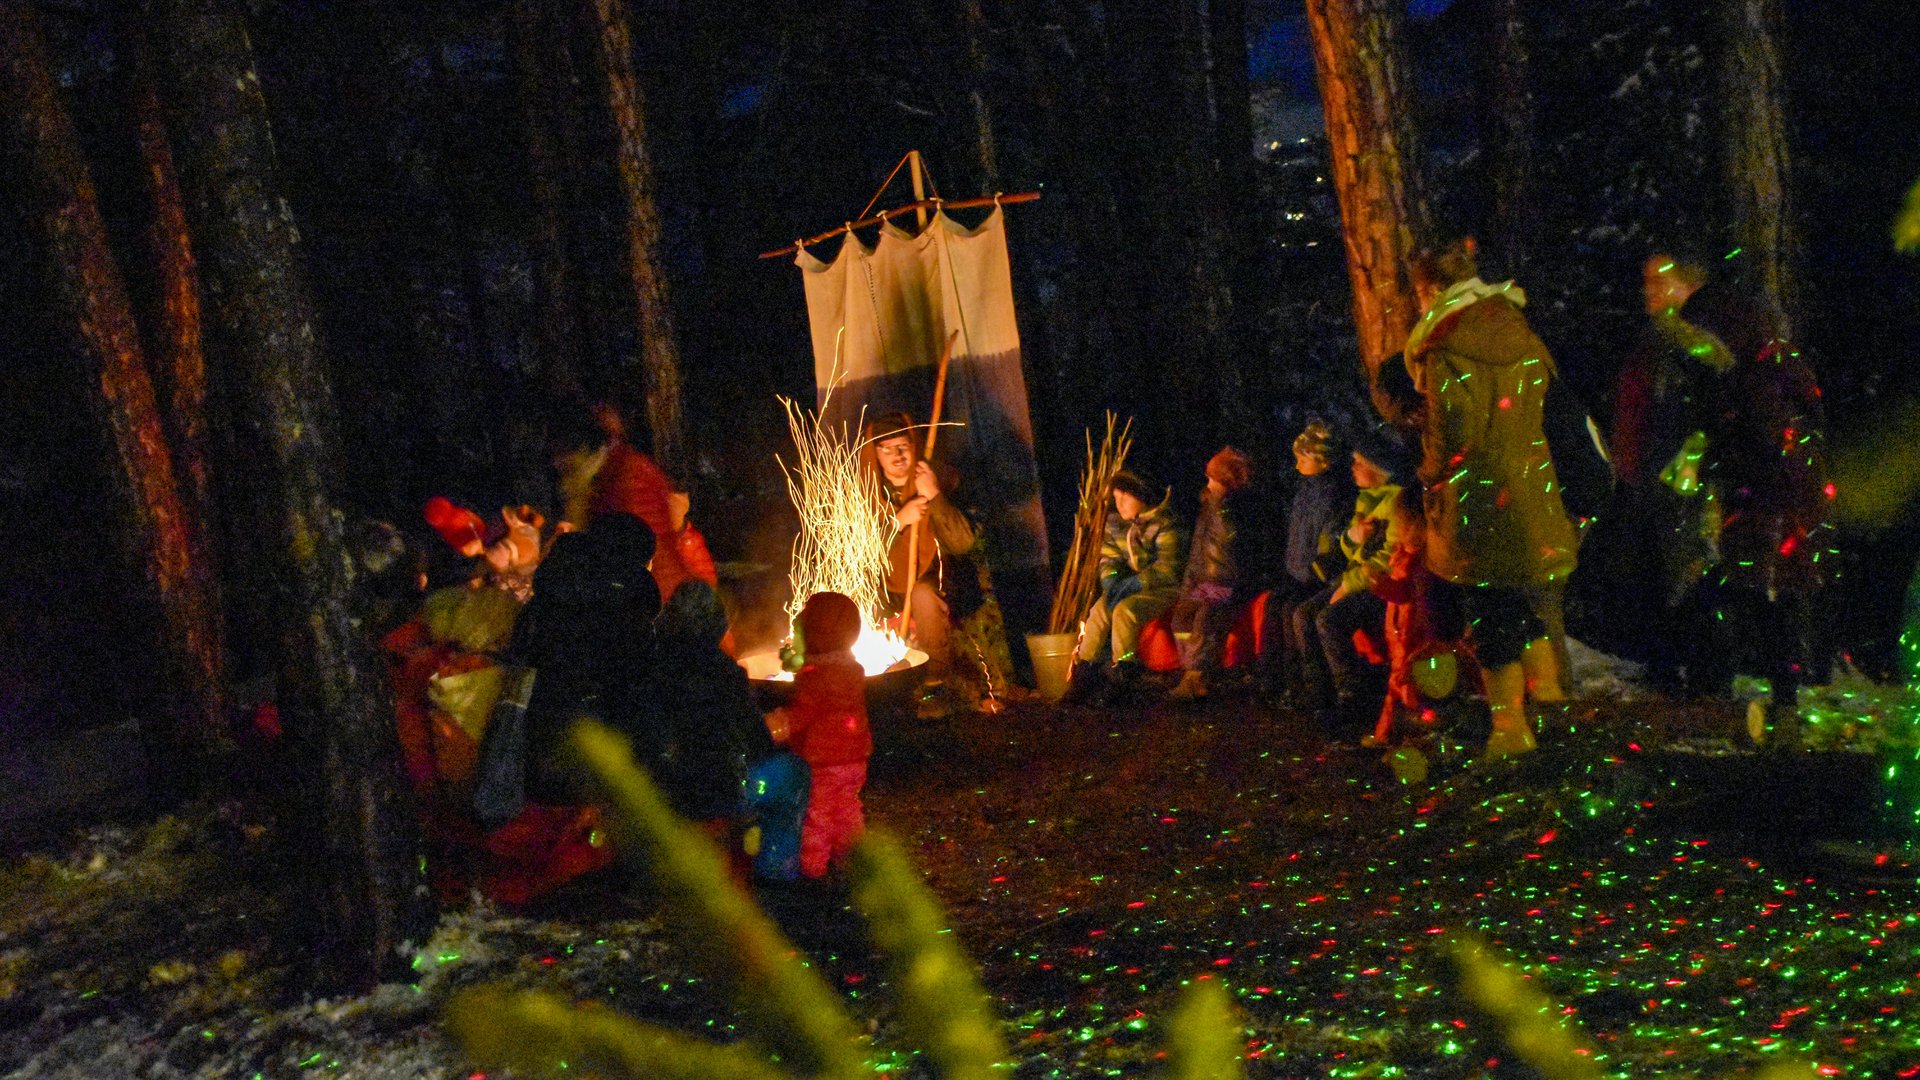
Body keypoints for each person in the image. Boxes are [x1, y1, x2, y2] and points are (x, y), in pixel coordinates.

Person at [1405, 236, 1579, 759]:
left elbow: (1451, 429)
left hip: (1479, 499)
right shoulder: (1519, 330)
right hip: (1531, 485)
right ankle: (1549, 707)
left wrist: (1431, 477)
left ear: (1431, 289)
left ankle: (1510, 731)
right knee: (1522, 604)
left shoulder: (1447, 344)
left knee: (1488, 612)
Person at [1682, 261, 1832, 744]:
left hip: (1766, 510)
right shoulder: (1775, 363)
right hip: (1784, 509)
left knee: (1753, 603)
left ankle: (1744, 702)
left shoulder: (1754, 377)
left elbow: (1760, 444)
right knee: (1773, 604)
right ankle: (1776, 703)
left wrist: (1715, 460)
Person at [650, 580, 772, 878]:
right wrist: (767, 756)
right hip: (715, 786)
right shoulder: (726, 673)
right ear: (718, 625)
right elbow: (752, 731)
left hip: (660, 781)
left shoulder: (652, 664)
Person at [1293, 432, 1405, 736]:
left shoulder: (1397, 504)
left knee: (1329, 620)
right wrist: (1351, 537)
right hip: (1355, 577)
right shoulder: (1366, 499)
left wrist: (1349, 585)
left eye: (1360, 462)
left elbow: (1387, 560)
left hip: (1379, 586)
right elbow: (1348, 550)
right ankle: (1320, 693)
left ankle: (1351, 696)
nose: (1353, 467)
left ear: (1379, 468)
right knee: (1302, 615)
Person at [862, 411, 980, 683]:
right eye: (887, 448)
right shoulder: (865, 495)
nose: (897, 455)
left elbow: (963, 543)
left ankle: (935, 681)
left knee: (923, 595)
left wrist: (934, 495)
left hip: (932, 585)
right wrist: (899, 521)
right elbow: (861, 554)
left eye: (903, 446)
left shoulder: (935, 480)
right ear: (876, 453)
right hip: (885, 593)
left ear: (913, 446)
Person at [765, 591, 871, 880]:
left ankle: (813, 870)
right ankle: (854, 861)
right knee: (847, 810)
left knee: (818, 816)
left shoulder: (816, 680)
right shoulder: (850, 668)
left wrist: (772, 726)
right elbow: (818, 667)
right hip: (854, 758)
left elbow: (801, 713)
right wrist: (797, 663)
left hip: (823, 761)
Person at [1063, 470, 1186, 704]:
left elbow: (1168, 568)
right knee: (1099, 612)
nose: (1119, 503)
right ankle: (1083, 675)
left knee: (1126, 611)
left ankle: (1125, 672)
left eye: (1125, 497)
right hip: (1130, 585)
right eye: (1115, 497)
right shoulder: (1116, 524)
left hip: (1164, 588)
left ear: (1141, 496)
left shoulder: (1165, 522)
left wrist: (1135, 583)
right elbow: (1108, 559)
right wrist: (1111, 584)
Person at [1260, 420, 1357, 706]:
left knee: (1295, 613)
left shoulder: (1333, 495)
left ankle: (1310, 684)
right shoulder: (1305, 490)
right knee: (1274, 605)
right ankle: (1277, 679)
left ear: (1324, 462)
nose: (1297, 464)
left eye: (1303, 458)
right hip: (1299, 572)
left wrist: (1318, 569)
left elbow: (1331, 539)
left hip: (1317, 577)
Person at [1169, 448, 1255, 700]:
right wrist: (1191, 582)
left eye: (1213, 479)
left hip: (1228, 581)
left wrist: (1220, 503)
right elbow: (1199, 549)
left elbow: (1231, 541)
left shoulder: (1233, 509)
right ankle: (1190, 670)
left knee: (1205, 620)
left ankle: (1198, 677)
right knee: (1181, 619)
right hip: (1205, 580)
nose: (1208, 484)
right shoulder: (1208, 506)